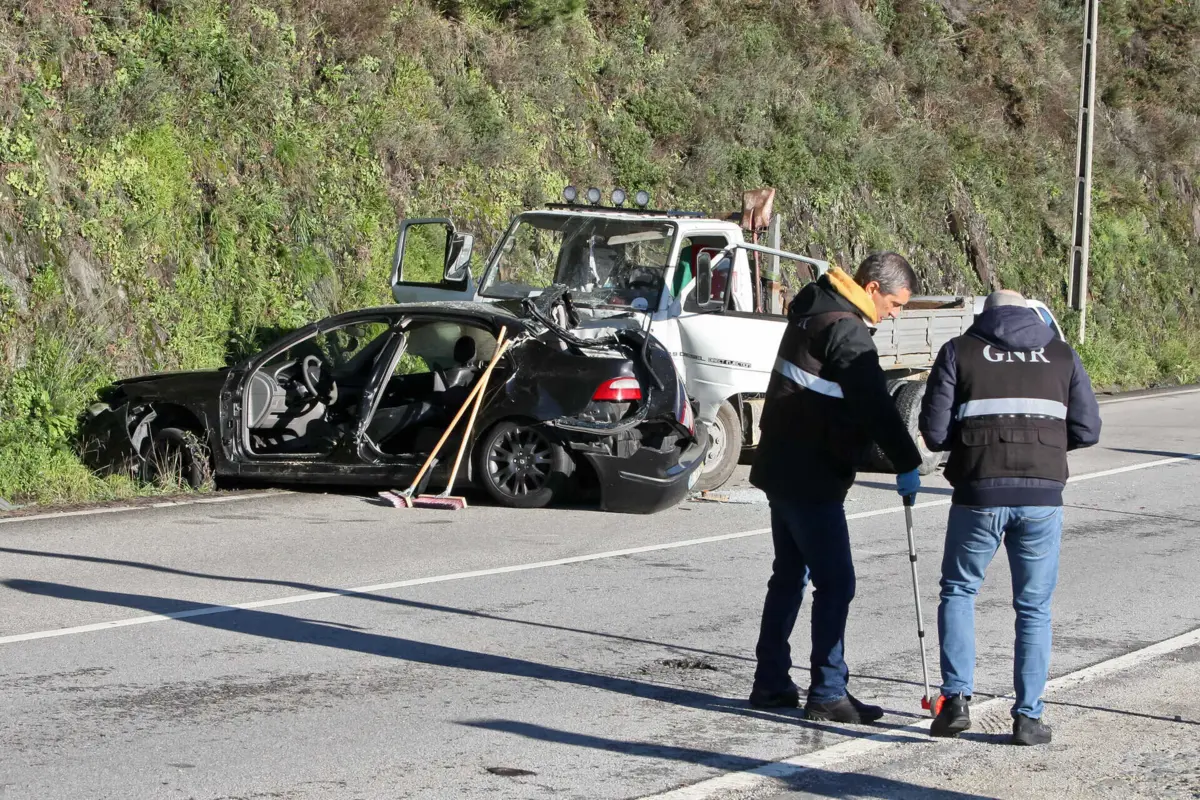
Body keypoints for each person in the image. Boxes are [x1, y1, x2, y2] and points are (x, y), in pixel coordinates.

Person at [918, 289, 1101, 745]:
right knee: (1034, 608)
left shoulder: (959, 350)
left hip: (978, 491)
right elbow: (1087, 429)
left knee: (959, 592)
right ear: (1031, 314)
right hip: (1041, 497)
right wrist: (1043, 449)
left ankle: (955, 701)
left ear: (987, 315)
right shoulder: (1061, 355)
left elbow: (935, 433)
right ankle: (1027, 718)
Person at [748, 252, 924, 723]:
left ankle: (770, 681)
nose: (894, 313)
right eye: (894, 303)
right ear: (870, 288)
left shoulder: (813, 310)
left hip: (781, 468)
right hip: (812, 475)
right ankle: (827, 689)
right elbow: (874, 405)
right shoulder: (846, 329)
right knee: (836, 583)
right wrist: (908, 461)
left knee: (788, 577)